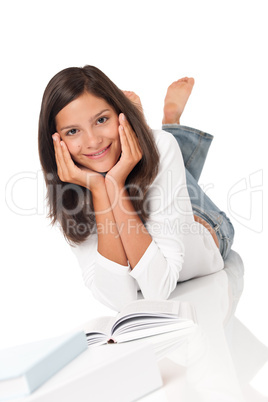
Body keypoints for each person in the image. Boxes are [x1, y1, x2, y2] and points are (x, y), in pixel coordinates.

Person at [38, 65, 234, 311]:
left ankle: (161, 127)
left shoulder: (162, 147)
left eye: (101, 120)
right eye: (73, 131)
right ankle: (141, 129)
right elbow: (122, 301)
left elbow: (158, 289)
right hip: (159, 197)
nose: (93, 141)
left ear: (118, 114)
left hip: (204, 224)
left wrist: (115, 184)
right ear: (57, 141)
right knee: (157, 155)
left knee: (160, 149)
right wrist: (101, 189)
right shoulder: (68, 187)